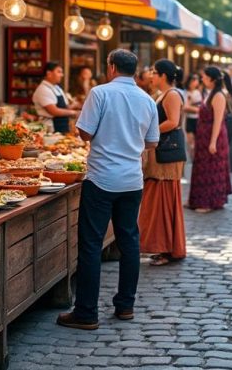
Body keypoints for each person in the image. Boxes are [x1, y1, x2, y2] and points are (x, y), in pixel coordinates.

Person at [57, 49, 159, 331]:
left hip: (101, 178)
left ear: (111, 67)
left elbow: (85, 132)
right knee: (129, 242)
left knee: (90, 244)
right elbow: (151, 142)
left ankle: (86, 312)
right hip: (131, 180)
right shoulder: (147, 100)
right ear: (134, 70)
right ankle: (126, 305)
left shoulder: (100, 93)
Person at [139, 60, 187, 267]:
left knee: (164, 200)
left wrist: (149, 132)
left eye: (154, 72)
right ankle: (163, 246)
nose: (151, 75)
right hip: (161, 154)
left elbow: (173, 122)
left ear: (164, 76)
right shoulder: (163, 94)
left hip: (167, 156)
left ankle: (168, 248)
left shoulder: (172, 95)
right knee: (158, 200)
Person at [188, 66, 232, 212]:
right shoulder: (209, 93)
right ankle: (197, 200)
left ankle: (208, 202)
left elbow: (218, 121)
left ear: (212, 79)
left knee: (211, 169)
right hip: (204, 135)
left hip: (214, 136)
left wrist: (213, 141)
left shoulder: (218, 95)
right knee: (201, 168)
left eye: (205, 77)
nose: (202, 79)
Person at [33, 62, 79, 134]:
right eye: (59, 72)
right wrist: (74, 113)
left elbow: (65, 107)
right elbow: (53, 111)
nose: (62, 75)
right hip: (51, 130)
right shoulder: (43, 89)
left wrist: (77, 105)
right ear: (49, 73)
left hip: (63, 127)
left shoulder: (57, 87)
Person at [183, 74, 203, 155]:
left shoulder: (197, 92)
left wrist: (192, 108)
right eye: (193, 80)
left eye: (196, 80)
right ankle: (193, 159)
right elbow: (185, 107)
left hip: (197, 119)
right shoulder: (185, 92)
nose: (195, 82)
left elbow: (199, 108)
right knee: (190, 142)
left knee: (197, 142)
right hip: (189, 119)